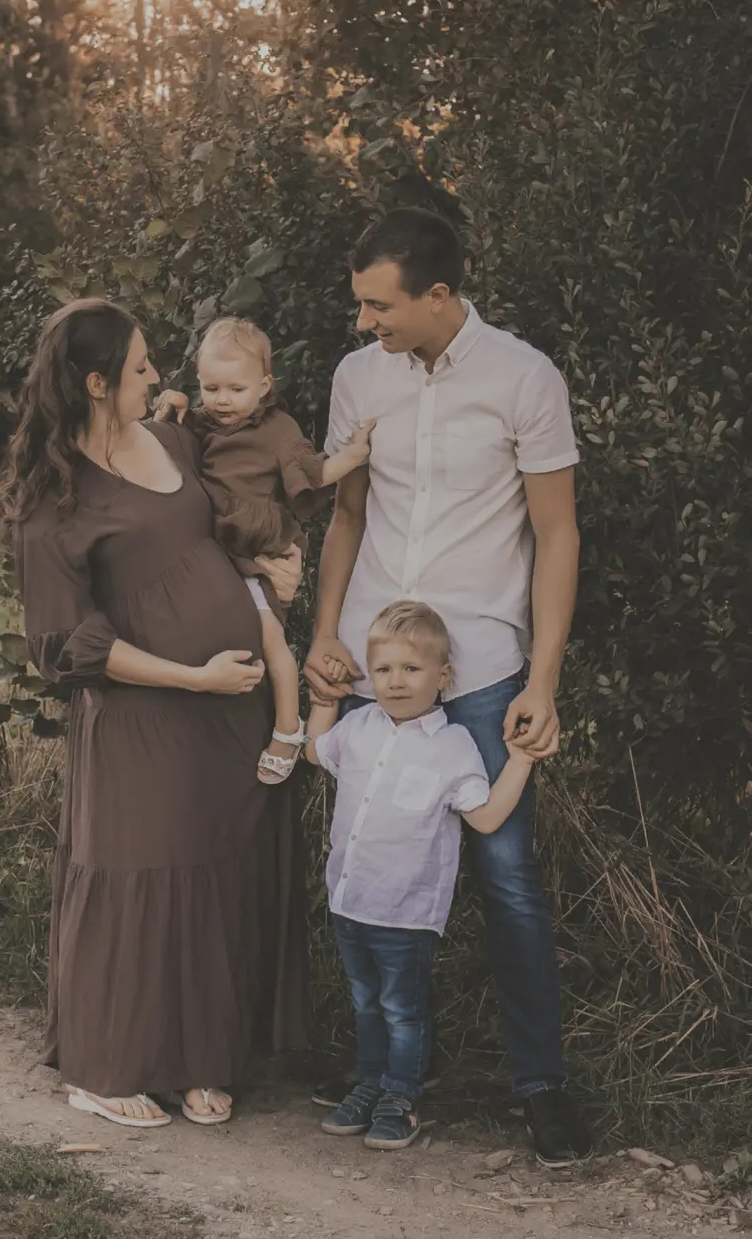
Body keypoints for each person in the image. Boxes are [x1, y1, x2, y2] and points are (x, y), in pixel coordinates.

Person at [304, 207, 591, 1168]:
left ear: (436, 295)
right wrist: (323, 638)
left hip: (480, 673)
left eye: (377, 304)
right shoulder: (358, 377)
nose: (363, 322)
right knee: (365, 858)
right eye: (359, 305)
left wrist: (541, 681)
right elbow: (344, 519)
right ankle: (376, 1072)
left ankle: (540, 1087)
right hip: (372, 663)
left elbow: (556, 533)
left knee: (506, 881)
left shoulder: (523, 376)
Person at [0, 298, 306, 1131]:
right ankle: (111, 1066)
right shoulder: (52, 499)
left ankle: (204, 1059)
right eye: (138, 367)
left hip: (230, 711)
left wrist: (274, 565)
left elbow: (234, 508)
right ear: (96, 382)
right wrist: (190, 677)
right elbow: (66, 642)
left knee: (214, 873)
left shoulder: (174, 440)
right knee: (139, 874)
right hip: (145, 717)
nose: (155, 377)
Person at [304, 600, 536, 1150]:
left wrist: (522, 760)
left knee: (402, 1009)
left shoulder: (453, 748)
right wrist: (321, 700)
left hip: (405, 910)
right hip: (350, 901)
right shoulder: (358, 725)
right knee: (365, 1001)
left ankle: (401, 1095)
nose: (396, 682)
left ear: (443, 677)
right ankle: (367, 1084)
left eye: (411, 669)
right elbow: (316, 752)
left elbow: (485, 816)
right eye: (383, 669)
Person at [154, 316, 374, 784]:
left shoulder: (276, 429)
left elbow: (310, 474)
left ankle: (289, 728)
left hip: (259, 548)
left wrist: (352, 457)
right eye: (210, 388)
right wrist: (173, 401)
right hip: (219, 545)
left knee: (266, 632)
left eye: (235, 389)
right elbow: (173, 436)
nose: (222, 400)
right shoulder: (207, 422)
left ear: (263, 384)